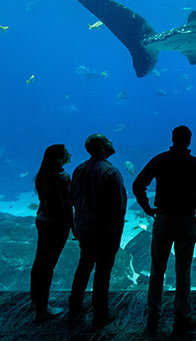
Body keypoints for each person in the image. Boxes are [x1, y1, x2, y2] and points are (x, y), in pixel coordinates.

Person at [133, 125, 196, 335]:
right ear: (189, 141)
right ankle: (181, 317)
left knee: (157, 269)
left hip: (163, 219)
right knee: (183, 271)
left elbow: (138, 184)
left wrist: (148, 207)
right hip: (186, 221)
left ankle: (153, 316)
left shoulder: (160, 159)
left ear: (172, 138)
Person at [68, 134, 127, 329]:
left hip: (85, 229)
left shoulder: (79, 169)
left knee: (84, 266)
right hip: (105, 232)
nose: (112, 142)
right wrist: (118, 231)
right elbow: (119, 207)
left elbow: (72, 198)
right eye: (108, 141)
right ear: (102, 148)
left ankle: (74, 307)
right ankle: (101, 313)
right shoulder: (111, 172)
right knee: (103, 271)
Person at [30, 144, 73, 323]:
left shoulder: (41, 176)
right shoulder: (62, 177)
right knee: (48, 266)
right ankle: (42, 310)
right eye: (66, 153)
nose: (70, 154)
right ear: (58, 159)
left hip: (42, 220)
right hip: (57, 224)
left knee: (40, 261)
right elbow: (66, 205)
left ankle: (36, 300)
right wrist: (73, 226)